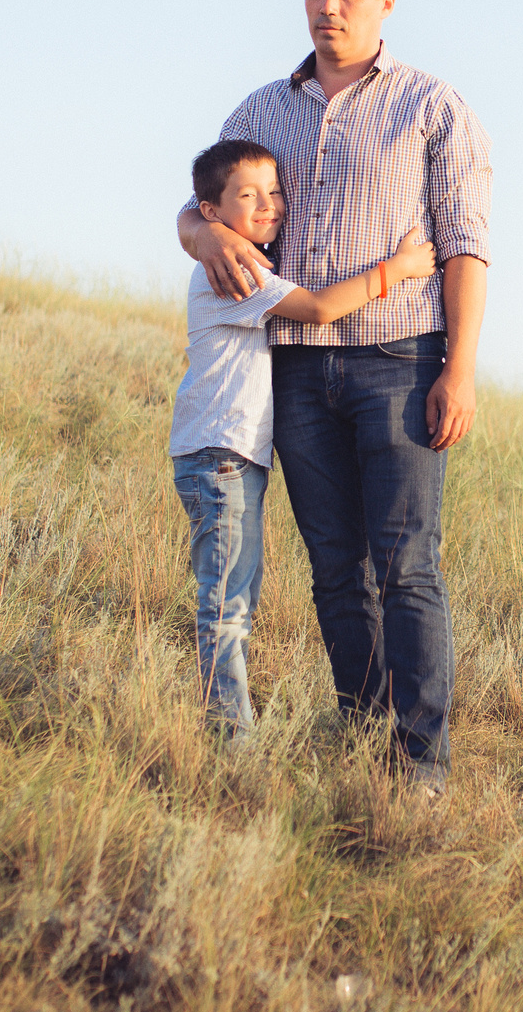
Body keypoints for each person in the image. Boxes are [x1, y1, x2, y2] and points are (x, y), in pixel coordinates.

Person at [176, 0, 491, 800]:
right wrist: (201, 232)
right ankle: (361, 739)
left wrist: (458, 369)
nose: (328, 6)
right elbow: (195, 200)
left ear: (385, 3)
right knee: (336, 569)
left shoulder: (434, 107)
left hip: (400, 358)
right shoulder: (260, 110)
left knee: (406, 563)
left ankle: (421, 766)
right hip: (298, 375)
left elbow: (466, 246)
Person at [168, 137, 436, 742]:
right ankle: (231, 745)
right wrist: (397, 270)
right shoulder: (236, 270)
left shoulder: (243, 260)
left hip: (224, 454)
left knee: (230, 602)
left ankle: (232, 732)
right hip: (222, 457)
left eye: (277, 192)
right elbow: (316, 309)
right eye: (248, 195)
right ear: (210, 211)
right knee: (226, 608)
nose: (270, 205)